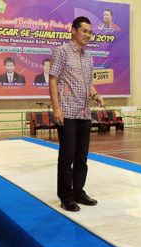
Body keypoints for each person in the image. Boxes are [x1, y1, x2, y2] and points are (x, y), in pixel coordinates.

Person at [49, 16, 105, 212]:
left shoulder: (88, 57)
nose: (88, 35)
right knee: (67, 156)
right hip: (67, 112)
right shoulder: (61, 52)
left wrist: (95, 94)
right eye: (84, 31)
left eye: (90, 32)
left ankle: (79, 192)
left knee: (82, 156)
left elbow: (88, 83)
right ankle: (66, 196)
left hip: (84, 113)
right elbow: (53, 80)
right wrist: (56, 108)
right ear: (73, 30)